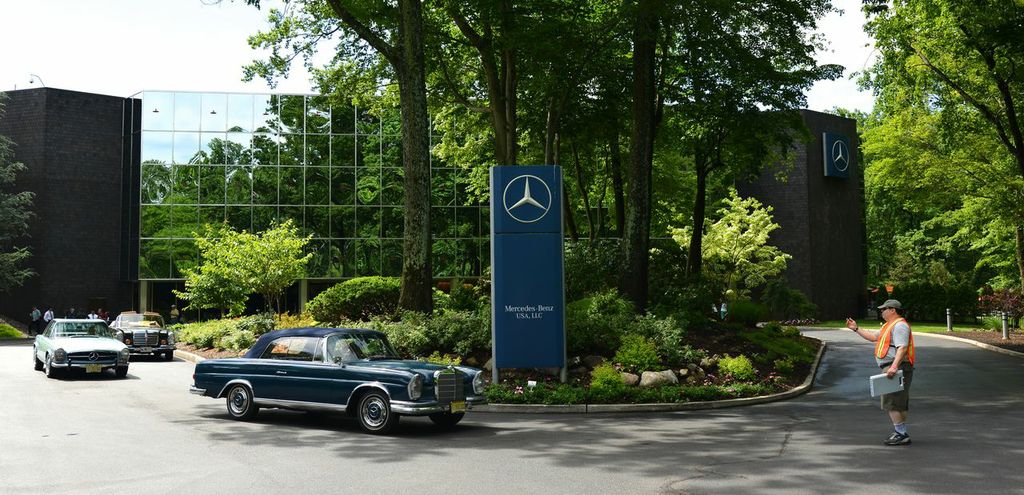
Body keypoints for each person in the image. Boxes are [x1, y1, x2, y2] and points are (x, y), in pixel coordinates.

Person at [846, 298, 915, 446]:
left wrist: (894, 366)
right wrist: (856, 329)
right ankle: (901, 432)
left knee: (892, 402)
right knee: (898, 402)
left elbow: (902, 348)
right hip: (896, 366)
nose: (881, 311)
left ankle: (901, 434)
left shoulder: (899, 326)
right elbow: (873, 337)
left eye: (884, 309)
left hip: (896, 366)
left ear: (893, 310)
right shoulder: (888, 326)